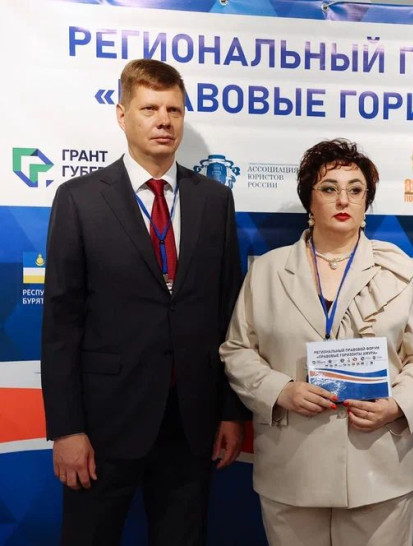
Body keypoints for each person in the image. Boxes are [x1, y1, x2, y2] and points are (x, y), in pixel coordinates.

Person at [41, 59, 247, 546]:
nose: (164, 121)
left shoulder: (214, 200)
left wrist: (230, 411)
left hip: (191, 422)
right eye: (150, 108)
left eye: (174, 110)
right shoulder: (79, 199)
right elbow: (61, 324)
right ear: (121, 114)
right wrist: (66, 430)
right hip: (104, 424)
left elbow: (230, 316)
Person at [219, 138, 413, 546]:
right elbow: (237, 350)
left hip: (377, 465)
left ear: (366, 203)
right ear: (309, 200)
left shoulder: (396, 269)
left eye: (355, 190)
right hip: (292, 467)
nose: (343, 199)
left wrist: (397, 405)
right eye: (329, 188)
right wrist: (279, 390)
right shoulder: (268, 271)